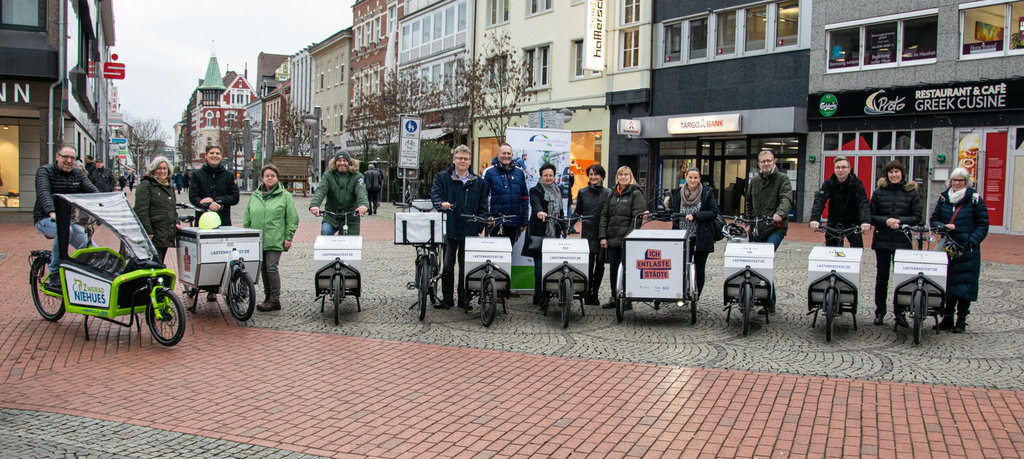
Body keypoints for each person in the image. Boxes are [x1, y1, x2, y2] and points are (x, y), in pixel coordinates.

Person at [930, 167, 989, 334]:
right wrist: (943, 226)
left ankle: (961, 320)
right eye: (954, 180)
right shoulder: (944, 198)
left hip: (966, 250)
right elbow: (934, 220)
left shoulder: (975, 200)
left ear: (966, 182)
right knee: (948, 284)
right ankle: (947, 318)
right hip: (948, 248)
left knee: (964, 286)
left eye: (960, 180)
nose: (957, 183)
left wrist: (971, 241)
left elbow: (983, 224)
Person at [429, 145, 488, 312]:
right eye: (460, 158)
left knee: (466, 266)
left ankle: (464, 298)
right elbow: (435, 194)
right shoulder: (443, 177)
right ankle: (447, 298)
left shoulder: (478, 182)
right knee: (448, 265)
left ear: (470, 161)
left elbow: (483, 206)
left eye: (466, 159)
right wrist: (440, 203)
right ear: (454, 159)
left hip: (470, 229)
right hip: (450, 227)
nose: (463, 161)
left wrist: (480, 224)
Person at [34, 145, 99, 292]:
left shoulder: (77, 174)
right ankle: (55, 273)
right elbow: (44, 192)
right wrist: (51, 212)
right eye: (65, 157)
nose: (69, 161)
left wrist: (104, 205)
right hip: (45, 219)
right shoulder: (45, 171)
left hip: (68, 221)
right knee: (65, 230)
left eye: (72, 158)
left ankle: (83, 274)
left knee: (93, 249)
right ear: (57, 157)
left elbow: (92, 192)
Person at [869, 160, 922, 327]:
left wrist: (900, 221)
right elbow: (871, 216)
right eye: (891, 172)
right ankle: (880, 312)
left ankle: (900, 313)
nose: (894, 175)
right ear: (887, 174)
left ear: (902, 174)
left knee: (902, 279)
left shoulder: (911, 193)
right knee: (882, 278)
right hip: (883, 241)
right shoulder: (879, 193)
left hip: (902, 241)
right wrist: (886, 221)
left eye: (896, 172)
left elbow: (917, 217)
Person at [244, 164, 299, 312]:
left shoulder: (285, 196)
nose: (270, 178)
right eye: (267, 175)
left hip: (275, 238)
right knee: (263, 268)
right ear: (262, 178)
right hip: (258, 239)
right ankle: (268, 297)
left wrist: (288, 237)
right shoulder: (255, 196)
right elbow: (247, 215)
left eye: (272, 176)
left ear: (277, 178)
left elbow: (292, 218)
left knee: (271, 267)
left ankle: (275, 299)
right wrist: (246, 234)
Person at [744, 149, 792, 313]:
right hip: (758, 227)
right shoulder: (755, 181)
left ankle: (769, 301)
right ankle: (755, 296)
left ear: (774, 162)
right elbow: (748, 202)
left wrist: (780, 213)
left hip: (775, 228)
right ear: (759, 164)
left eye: (769, 161)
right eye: (763, 161)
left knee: (765, 259)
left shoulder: (782, 179)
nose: (766, 164)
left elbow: (786, 198)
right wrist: (749, 221)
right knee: (755, 263)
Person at [668, 167, 721, 300]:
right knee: (680, 266)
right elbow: (672, 212)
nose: (692, 180)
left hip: (701, 236)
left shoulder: (706, 193)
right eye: (690, 177)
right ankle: (680, 292)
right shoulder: (677, 193)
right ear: (686, 178)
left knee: (699, 268)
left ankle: (695, 296)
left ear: (699, 179)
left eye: (695, 178)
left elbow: (714, 212)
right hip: (682, 237)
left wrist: (696, 216)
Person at [599, 166, 647, 309]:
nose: (623, 177)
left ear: (630, 177)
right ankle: (615, 297)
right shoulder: (612, 193)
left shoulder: (636, 193)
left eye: (626, 175)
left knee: (627, 270)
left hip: (627, 240)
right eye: (620, 175)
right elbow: (604, 216)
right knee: (613, 270)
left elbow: (637, 218)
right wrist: (603, 236)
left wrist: (628, 237)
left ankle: (627, 299)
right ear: (617, 177)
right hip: (612, 239)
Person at [522, 163, 567, 304]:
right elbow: (535, 204)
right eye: (545, 175)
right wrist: (539, 211)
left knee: (552, 265)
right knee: (539, 266)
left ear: (554, 176)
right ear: (541, 176)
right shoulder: (535, 190)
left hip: (554, 233)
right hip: (539, 232)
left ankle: (548, 292)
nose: (548, 178)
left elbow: (560, 211)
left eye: (550, 175)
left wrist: (563, 227)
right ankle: (539, 295)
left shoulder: (558, 190)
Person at [808, 156, 871, 246]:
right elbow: (820, 201)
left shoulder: (856, 183)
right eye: (838, 167)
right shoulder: (829, 183)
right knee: (830, 250)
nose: (840, 170)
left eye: (843, 167)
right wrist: (815, 219)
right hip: (834, 223)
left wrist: (865, 221)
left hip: (852, 223)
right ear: (834, 169)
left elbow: (862, 202)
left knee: (857, 249)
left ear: (849, 169)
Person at [574, 164, 611, 305]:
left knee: (600, 265)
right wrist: (568, 225)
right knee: (588, 265)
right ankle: (586, 292)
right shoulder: (582, 192)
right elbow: (577, 212)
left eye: (596, 174)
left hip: (602, 233)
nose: (593, 177)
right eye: (591, 174)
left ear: (602, 177)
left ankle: (595, 293)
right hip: (588, 234)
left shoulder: (608, 193)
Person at [309, 150, 369, 234]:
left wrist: (363, 205)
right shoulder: (328, 175)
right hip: (331, 216)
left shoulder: (357, 176)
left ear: (349, 162)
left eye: (345, 160)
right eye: (339, 160)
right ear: (335, 163)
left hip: (351, 216)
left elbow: (361, 191)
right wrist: (315, 205)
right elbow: (321, 190)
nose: (342, 163)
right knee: (325, 231)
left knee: (350, 240)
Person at [134, 156, 180, 264]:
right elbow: (141, 210)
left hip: (164, 233)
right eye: (159, 168)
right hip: (153, 234)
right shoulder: (146, 185)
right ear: (153, 170)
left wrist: (176, 222)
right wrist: (148, 232)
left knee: (159, 262)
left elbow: (172, 209)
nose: (162, 171)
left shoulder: (168, 187)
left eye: (165, 168)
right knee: (151, 264)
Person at [483, 143, 529, 245]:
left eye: (508, 153)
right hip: (496, 222)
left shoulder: (519, 173)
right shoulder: (490, 172)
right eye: (503, 153)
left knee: (510, 250)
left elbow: (525, 198)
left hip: (514, 223)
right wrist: (488, 217)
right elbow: (483, 197)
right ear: (498, 154)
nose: (506, 156)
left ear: (512, 155)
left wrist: (524, 221)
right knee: (498, 252)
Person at [189, 145, 240, 225]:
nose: (215, 155)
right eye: (211, 153)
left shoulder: (229, 176)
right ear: (206, 156)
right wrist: (207, 205)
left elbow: (235, 197)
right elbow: (193, 197)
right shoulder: (197, 175)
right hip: (202, 221)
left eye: (217, 153)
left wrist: (215, 200)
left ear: (221, 156)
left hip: (223, 222)